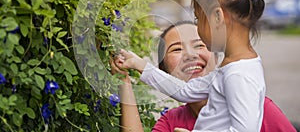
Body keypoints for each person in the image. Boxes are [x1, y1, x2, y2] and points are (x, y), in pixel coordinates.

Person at [116, 0, 268, 132]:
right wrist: (139, 65)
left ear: (217, 17)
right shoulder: (234, 67)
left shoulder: (238, 75)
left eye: (198, 18)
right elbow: (186, 90)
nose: (197, 26)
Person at [112, 21, 296, 132]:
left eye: (200, 45)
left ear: (216, 58)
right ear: (163, 70)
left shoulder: (257, 107)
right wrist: (124, 82)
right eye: (177, 49)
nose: (190, 55)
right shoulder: (172, 121)